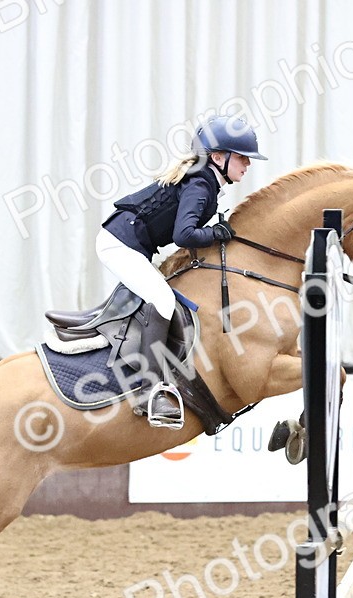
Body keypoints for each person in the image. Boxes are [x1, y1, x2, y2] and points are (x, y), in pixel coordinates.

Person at [97, 115, 268, 428]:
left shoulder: (205, 181)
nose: (247, 165)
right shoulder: (200, 184)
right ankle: (148, 393)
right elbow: (184, 236)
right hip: (118, 244)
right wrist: (218, 233)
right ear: (219, 157)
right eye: (243, 158)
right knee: (162, 300)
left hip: (130, 244)